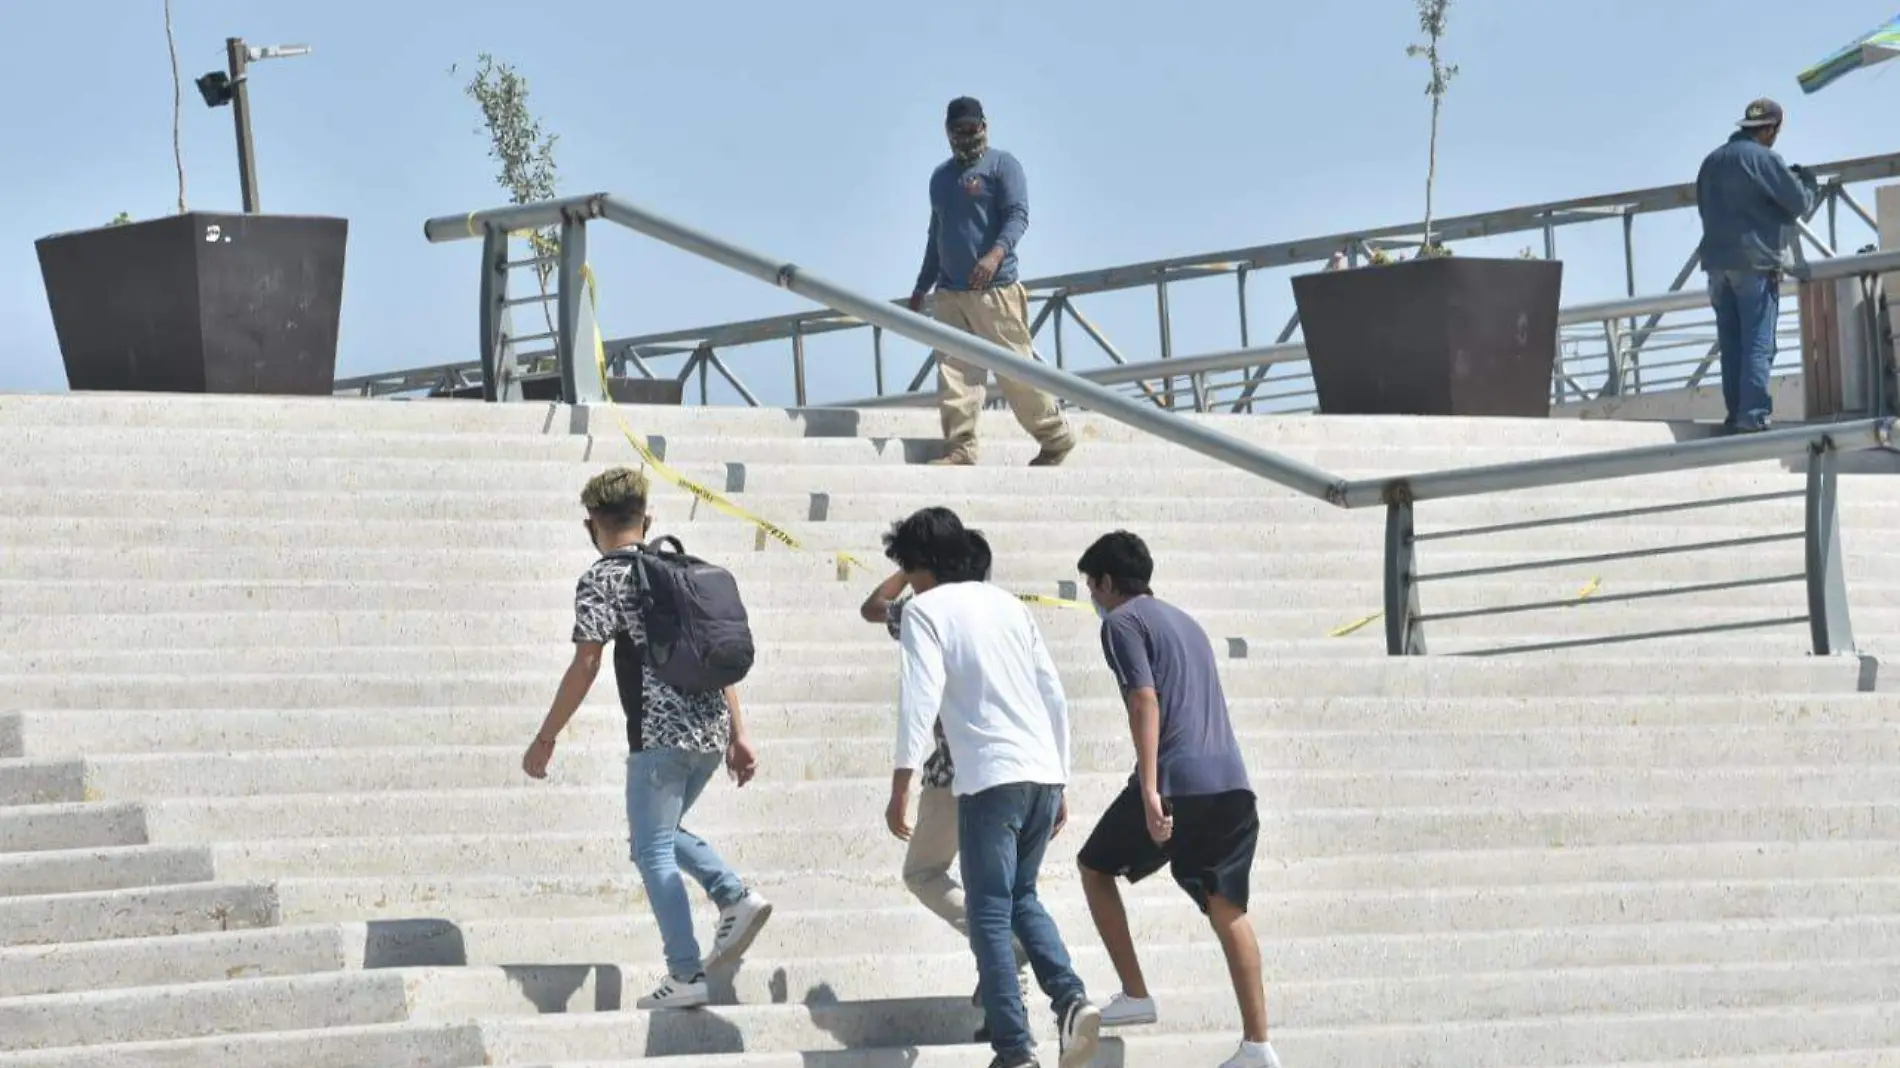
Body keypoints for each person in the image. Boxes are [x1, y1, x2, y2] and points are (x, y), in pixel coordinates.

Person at [522, 466, 772, 1010]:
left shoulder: (602, 578)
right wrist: (740, 733)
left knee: (652, 849)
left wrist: (546, 736)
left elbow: (587, 661)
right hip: (708, 734)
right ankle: (733, 897)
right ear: (647, 518)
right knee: (654, 837)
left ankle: (687, 970)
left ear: (592, 524)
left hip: (658, 737)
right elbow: (715, 655)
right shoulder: (675, 566)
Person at [884, 507, 1100, 1068]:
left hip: (989, 777)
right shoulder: (1008, 604)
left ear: (918, 565)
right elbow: (1052, 691)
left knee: (988, 911)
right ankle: (1071, 998)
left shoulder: (925, 611)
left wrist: (901, 782)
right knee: (1021, 898)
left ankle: (1013, 1050)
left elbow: (919, 699)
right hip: (1041, 773)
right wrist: (1062, 777)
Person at [1072, 531, 1281, 1068]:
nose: (1093, 598)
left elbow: (1144, 699)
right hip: (1232, 783)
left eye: (1092, 587)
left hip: (1177, 782)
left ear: (1108, 583)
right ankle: (1258, 1046)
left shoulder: (1121, 623)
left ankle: (1136, 993)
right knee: (1227, 908)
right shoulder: (1186, 621)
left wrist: (1148, 788)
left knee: (1094, 866)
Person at [859, 512, 1032, 1004]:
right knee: (998, 884)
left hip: (956, 770)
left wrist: (907, 568)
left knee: (924, 872)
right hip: (1021, 764)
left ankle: (1007, 954)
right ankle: (1003, 978)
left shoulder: (925, 610)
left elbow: (874, 607)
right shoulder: (1002, 610)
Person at [908, 95, 1076, 469]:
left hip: (995, 290)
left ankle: (1056, 437)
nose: (968, 137)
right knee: (955, 375)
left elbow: (1017, 216)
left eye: (974, 129)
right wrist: (922, 286)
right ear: (948, 133)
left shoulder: (1003, 166)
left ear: (984, 126)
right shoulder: (940, 178)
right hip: (951, 293)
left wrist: (995, 253)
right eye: (960, 131)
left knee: (1017, 372)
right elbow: (936, 234)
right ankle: (961, 447)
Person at [1694, 97, 1822, 434]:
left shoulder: (1712, 161)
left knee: (1732, 341)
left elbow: (1704, 207)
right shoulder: (1764, 159)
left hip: (1716, 264)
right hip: (1754, 263)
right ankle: (1752, 416)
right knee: (1757, 341)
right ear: (1769, 128)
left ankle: (1735, 413)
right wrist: (1808, 183)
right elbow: (1797, 203)